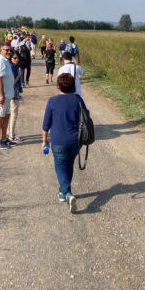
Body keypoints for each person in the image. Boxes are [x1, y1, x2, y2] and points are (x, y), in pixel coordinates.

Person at [42, 73, 86, 213]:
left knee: (60, 167)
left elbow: (46, 125)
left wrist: (44, 142)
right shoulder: (78, 99)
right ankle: (63, 192)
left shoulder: (52, 101)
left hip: (58, 141)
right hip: (75, 141)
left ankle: (67, 194)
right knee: (68, 165)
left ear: (58, 86)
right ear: (73, 86)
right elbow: (86, 117)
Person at [0, 44, 15, 150]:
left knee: (7, 116)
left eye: (10, 50)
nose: (9, 52)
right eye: (7, 50)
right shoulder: (0, 61)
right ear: (1, 50)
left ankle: (4, 138)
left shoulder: (5, 60)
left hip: (7, 95)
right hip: (1, 96)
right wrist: (1, 95)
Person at [7, 51, 22, 144]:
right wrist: (19, 75)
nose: (16, 59)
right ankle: (11, 136)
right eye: (14, 58)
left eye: (17, 58)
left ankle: (9, 133)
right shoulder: (13, 67)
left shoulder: (12, 66)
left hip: (12, 93)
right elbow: (11, 82)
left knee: (11, 113)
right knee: (14, 114)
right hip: (12, 93)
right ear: (11, 58)